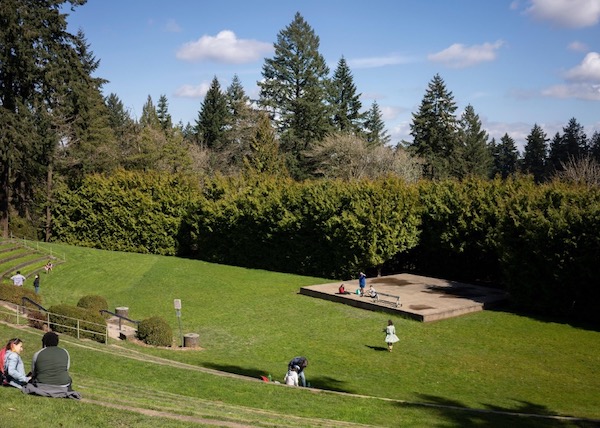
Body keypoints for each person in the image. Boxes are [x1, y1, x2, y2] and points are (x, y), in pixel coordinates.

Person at [23, 332, 80, 399]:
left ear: (44, 342)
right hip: (62, 385)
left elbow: (34, 372)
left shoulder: (38, 353)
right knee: (69, 379)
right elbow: (66, 368)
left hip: (41, 384)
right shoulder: (65, 352)